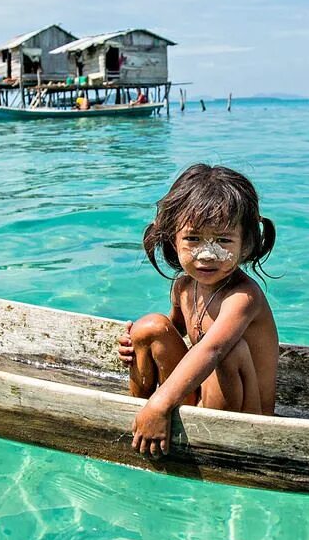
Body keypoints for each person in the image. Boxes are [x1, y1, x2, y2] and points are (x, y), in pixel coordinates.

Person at [118, 164, 279, 456]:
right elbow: (173, 333)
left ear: (245, 246)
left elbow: (212, 350)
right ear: (172, 239)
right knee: (149, 327)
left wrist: (161, 402)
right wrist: (134, 343)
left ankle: (163, 414)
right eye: (193, 239)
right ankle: (137, 417)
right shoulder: (183, 287)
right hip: (199, 399)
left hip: (247, 416)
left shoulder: (243, 297)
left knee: (228, 348)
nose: (207, 254)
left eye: (223, 240)